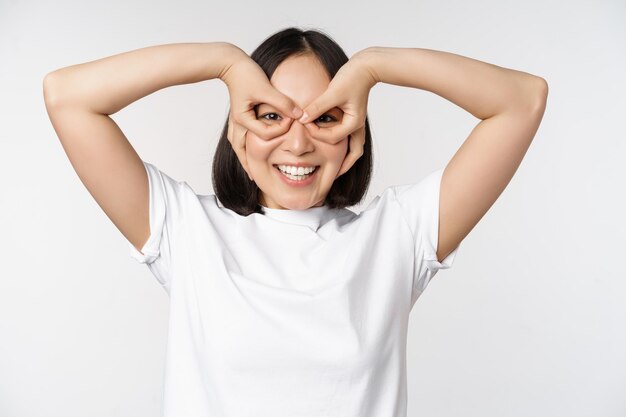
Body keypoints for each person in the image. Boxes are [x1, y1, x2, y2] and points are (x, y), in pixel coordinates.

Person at [43, 27, 547, 417]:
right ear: (238, 128)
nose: (298, 143)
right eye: (270, 116)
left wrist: (374, 66)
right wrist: (223, 62)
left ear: (355, 133)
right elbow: (68, 97)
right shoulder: (186, 231)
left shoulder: (398, 235)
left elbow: (521, 101)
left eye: (324, 118)